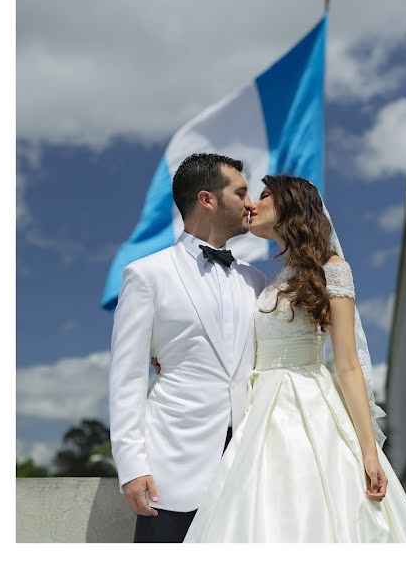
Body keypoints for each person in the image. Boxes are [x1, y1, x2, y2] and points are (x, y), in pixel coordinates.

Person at [182, 175, 406, 542]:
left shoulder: (332, 270)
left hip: (304, 405)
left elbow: (347, 365)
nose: (252, 203)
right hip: (256, 409)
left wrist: (369, 451)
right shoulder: (269, 280)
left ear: (291, 207)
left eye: (265, 195)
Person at [108, 153, 266, 542]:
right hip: (172, 468)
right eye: (241, 192)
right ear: (207, 200)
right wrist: (131, 465)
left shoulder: (258, 281)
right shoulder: (147, 275)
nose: (251, 204)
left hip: (249, 461)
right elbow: (125, 377)